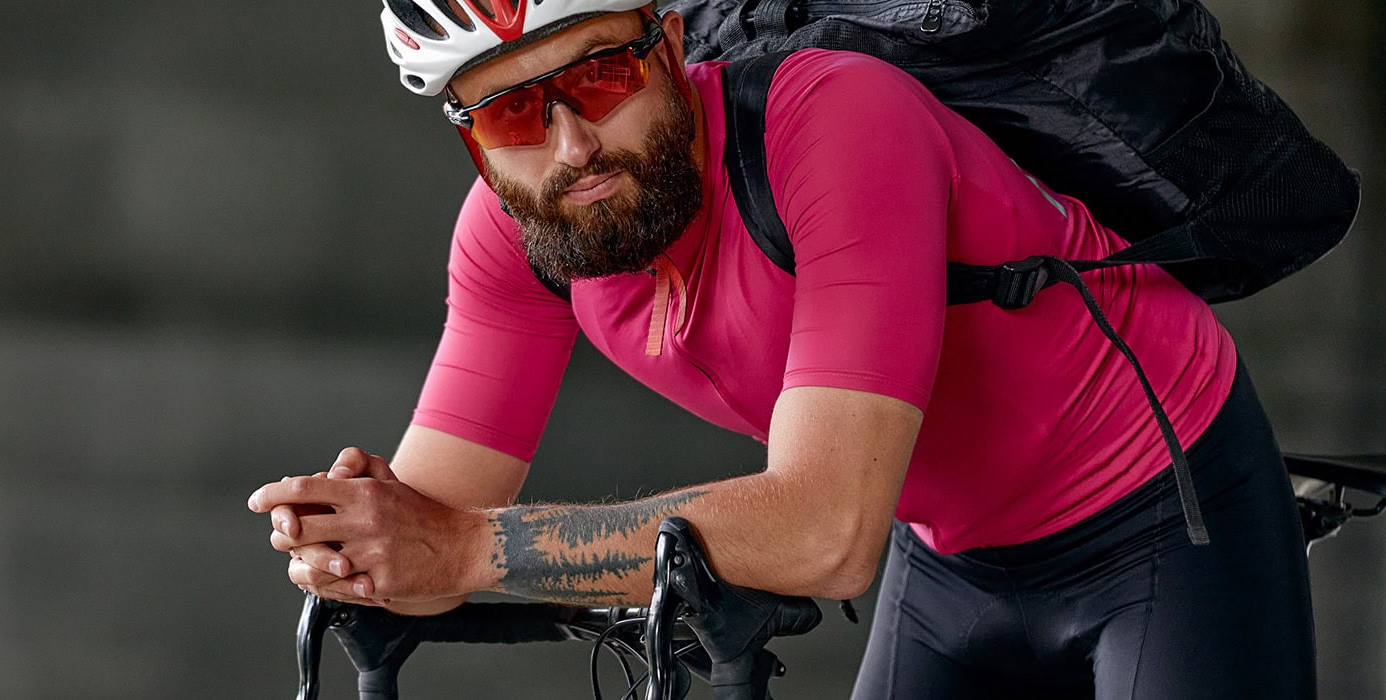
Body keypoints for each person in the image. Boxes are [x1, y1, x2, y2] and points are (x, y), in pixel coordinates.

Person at [247, 1, 1317, 696]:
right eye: (514, 114)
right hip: (947, 555)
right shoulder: (519, 237)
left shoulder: (829, 118)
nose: (571, 145)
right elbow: (430, 544)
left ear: (665, 45)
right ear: (471, 140)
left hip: (1161, 509)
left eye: (603, 81)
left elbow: (824, 530)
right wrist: (358, 542)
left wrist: (466, 550)